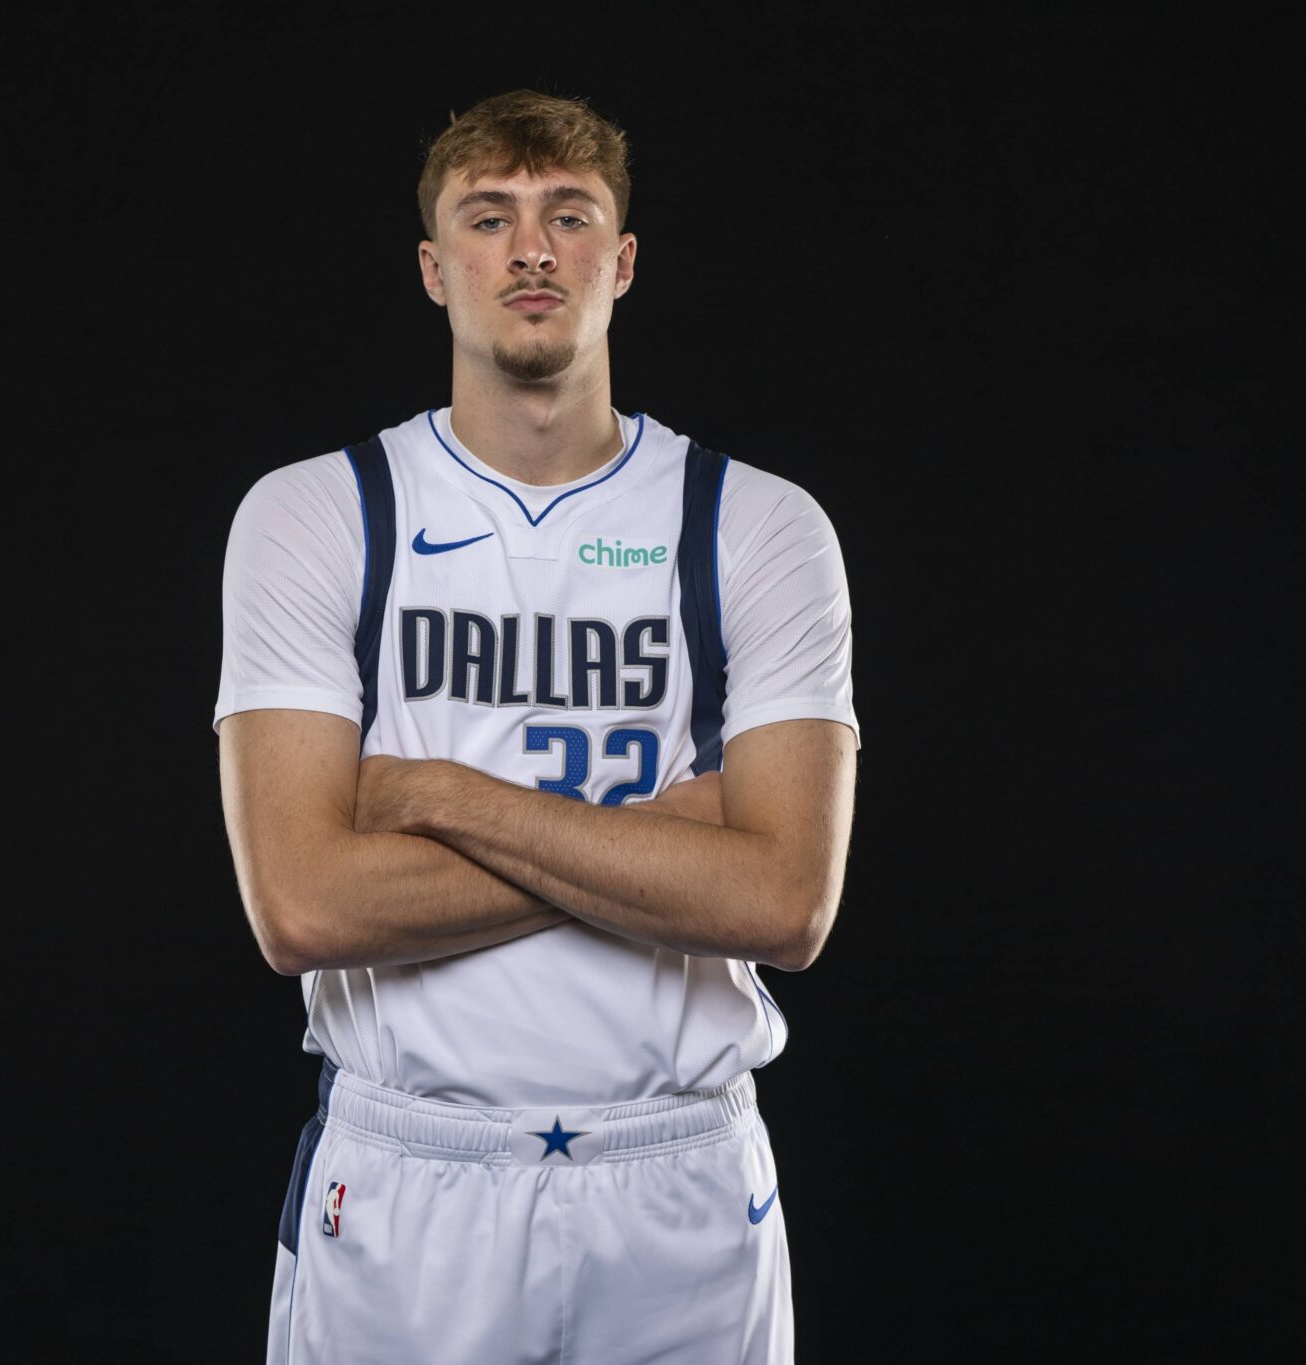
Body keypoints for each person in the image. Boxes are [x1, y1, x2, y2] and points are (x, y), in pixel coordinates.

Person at [215, 88, 860, 1365]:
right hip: (410, 1178)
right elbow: (300, 908)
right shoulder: (315, 516)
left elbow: (785, 902)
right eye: (488, 217)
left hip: (673, 1179)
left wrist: (438, 797)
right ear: (432, 267)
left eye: (568, 217)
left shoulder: (758, 525)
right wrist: (665, 852)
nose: (529, 249)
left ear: (618, 264)